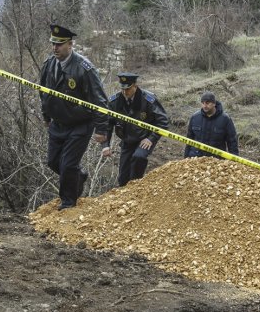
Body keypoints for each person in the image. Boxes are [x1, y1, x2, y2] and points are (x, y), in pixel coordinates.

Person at [39, 24, 109, 210]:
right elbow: (43, 92)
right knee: (54, 162)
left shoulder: (84, 68)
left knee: (68, 165)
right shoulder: (48, 65)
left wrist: (101, 129)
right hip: (58, 123)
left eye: (59, 44)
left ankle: (68, 202)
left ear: (70, 44)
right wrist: (46, 115)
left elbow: (99, 99)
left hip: (79, 125)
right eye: (53, 44)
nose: (55, 48)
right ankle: (79, 176)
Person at [101, 72, 169, 186]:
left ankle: (136, 187)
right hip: (127, 140)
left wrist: (151, 138)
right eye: (122, 89)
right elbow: (107, 124)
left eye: (127, 89)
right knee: (123, 178)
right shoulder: (115, 101)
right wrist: (105, 145)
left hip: (144, 138)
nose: (124, 92)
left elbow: (163, 122)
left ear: (135, 86)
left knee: (138, 157)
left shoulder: (148, 99)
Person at [184, 91, 239, 158]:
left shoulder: (225, 119)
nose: (204, 106)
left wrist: (234, 160)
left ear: (214, 103)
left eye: (207, 103)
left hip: (216, 161)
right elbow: (189, 140)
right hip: (195, 158)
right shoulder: (195, 117)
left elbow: (232, 142)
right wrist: (186, 158)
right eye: (203, 103)